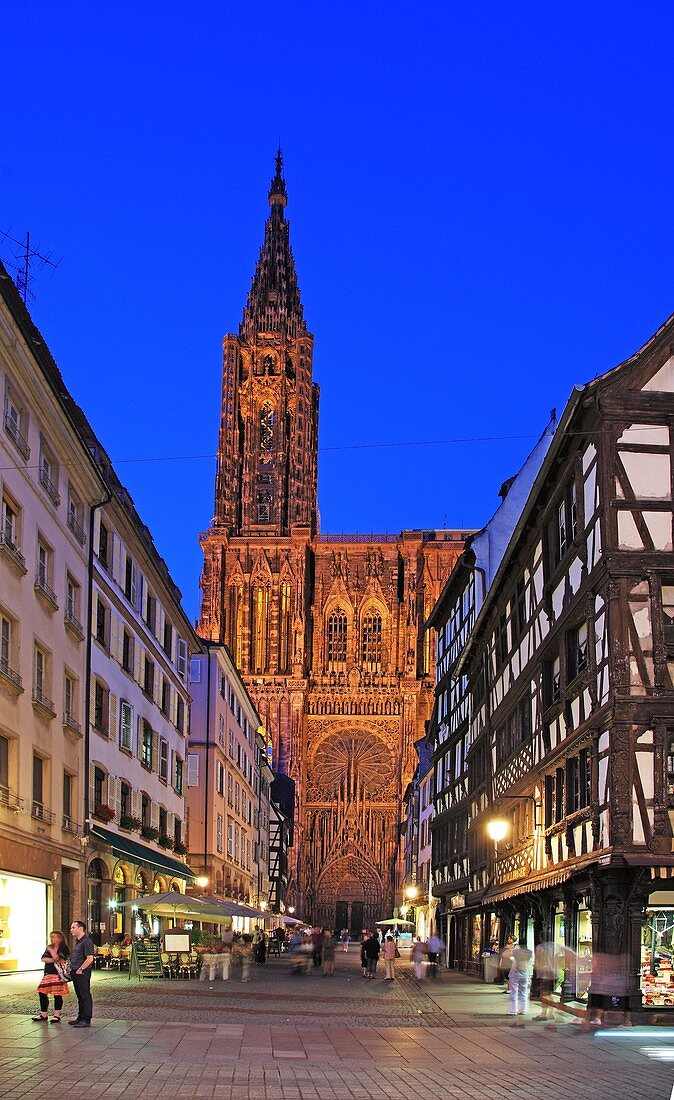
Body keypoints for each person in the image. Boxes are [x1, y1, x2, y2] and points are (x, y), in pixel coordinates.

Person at [33, 930, 70, 1023]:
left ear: (59, 938)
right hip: (48, 973)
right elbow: (43, 959)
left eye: (53, 937)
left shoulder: (63, 948)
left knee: (57, 994)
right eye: (51, 937)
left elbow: (58, 958)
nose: (51, 939)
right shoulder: (50, 947)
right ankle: (43, 1014)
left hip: (58, 974)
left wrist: (51, 951)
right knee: (42, 992)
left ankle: (56, 1015)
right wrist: (52, 958)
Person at [68, 920, 95, 1027]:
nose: (71, 930)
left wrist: (81, 968)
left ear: (80, 929)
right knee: (80, 996)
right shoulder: (79, 941)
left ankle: (86, 1019)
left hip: (82, 973)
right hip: (76, 971)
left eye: (73, 928)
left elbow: (90, 958)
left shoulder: (86, 941)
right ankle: (80, 1017)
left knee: (85, 995)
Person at [533, 940, 562, 1028]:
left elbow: (539, 960)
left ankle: (544, 1013)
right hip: (554, 972)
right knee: (549, 993)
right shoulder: (556, 946)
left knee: (544, 993)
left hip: (545, 972)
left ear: (541, 938)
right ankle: (550, 1012)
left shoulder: (540, 947)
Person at [508, 941, 534, 1026]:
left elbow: (512, 960)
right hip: (525, 973)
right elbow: (531, 962)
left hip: (515, 973)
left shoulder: (516, 952)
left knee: (514, 992)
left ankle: (513, 1010)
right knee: (524, 992)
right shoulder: (530, 953)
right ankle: (523, 1010)